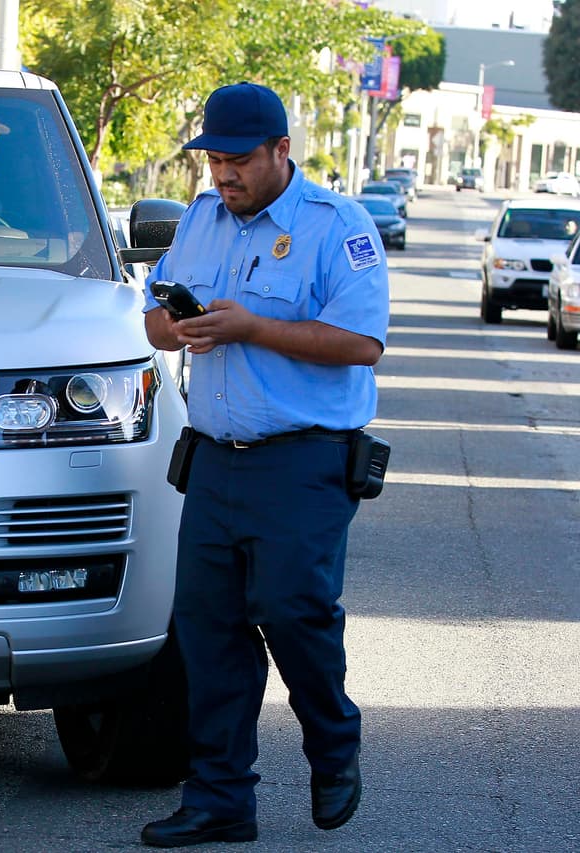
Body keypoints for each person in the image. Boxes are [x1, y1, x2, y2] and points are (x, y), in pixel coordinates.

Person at [139, 82, 389, 847]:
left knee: (290, 609)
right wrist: (183, 326)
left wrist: (252, 327)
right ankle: (220, 796)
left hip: (303, 460)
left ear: (282, 150)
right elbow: (154, 320)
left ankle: (333, 742)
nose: (223, 174)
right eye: (213, 158)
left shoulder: (336, 227)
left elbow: (362, 343)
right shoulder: (202, 220)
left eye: (239, 159)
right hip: (214, 460)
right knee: (206, 628)